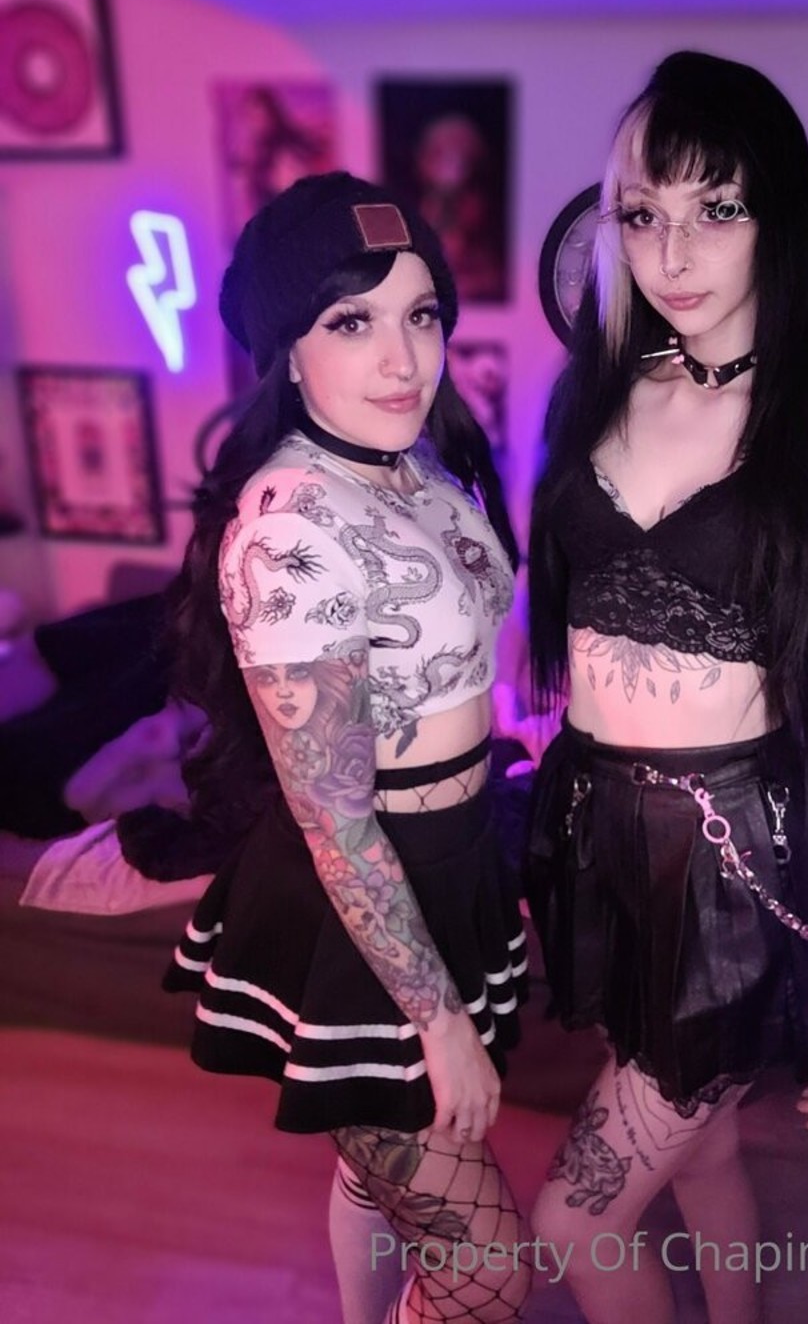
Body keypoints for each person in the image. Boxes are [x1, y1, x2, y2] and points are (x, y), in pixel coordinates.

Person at [525, 52, 808, 1323]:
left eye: (718, 208)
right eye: (643, 213)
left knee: (576, 1216)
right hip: (591, 830)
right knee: (699, 1146)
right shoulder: (598, 389)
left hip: (730, 862)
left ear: (779, 216)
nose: (673, 252)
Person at [163, 172, 530, 1324]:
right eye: (351, 321)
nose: (403, 358)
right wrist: (440, 1022)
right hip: (362, 901)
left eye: (421, 314)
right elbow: (334, 814)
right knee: (486, 1269)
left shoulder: (417, 465)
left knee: (374, 1178)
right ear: (287, 350)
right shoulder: (288, 524)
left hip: (452, 859)